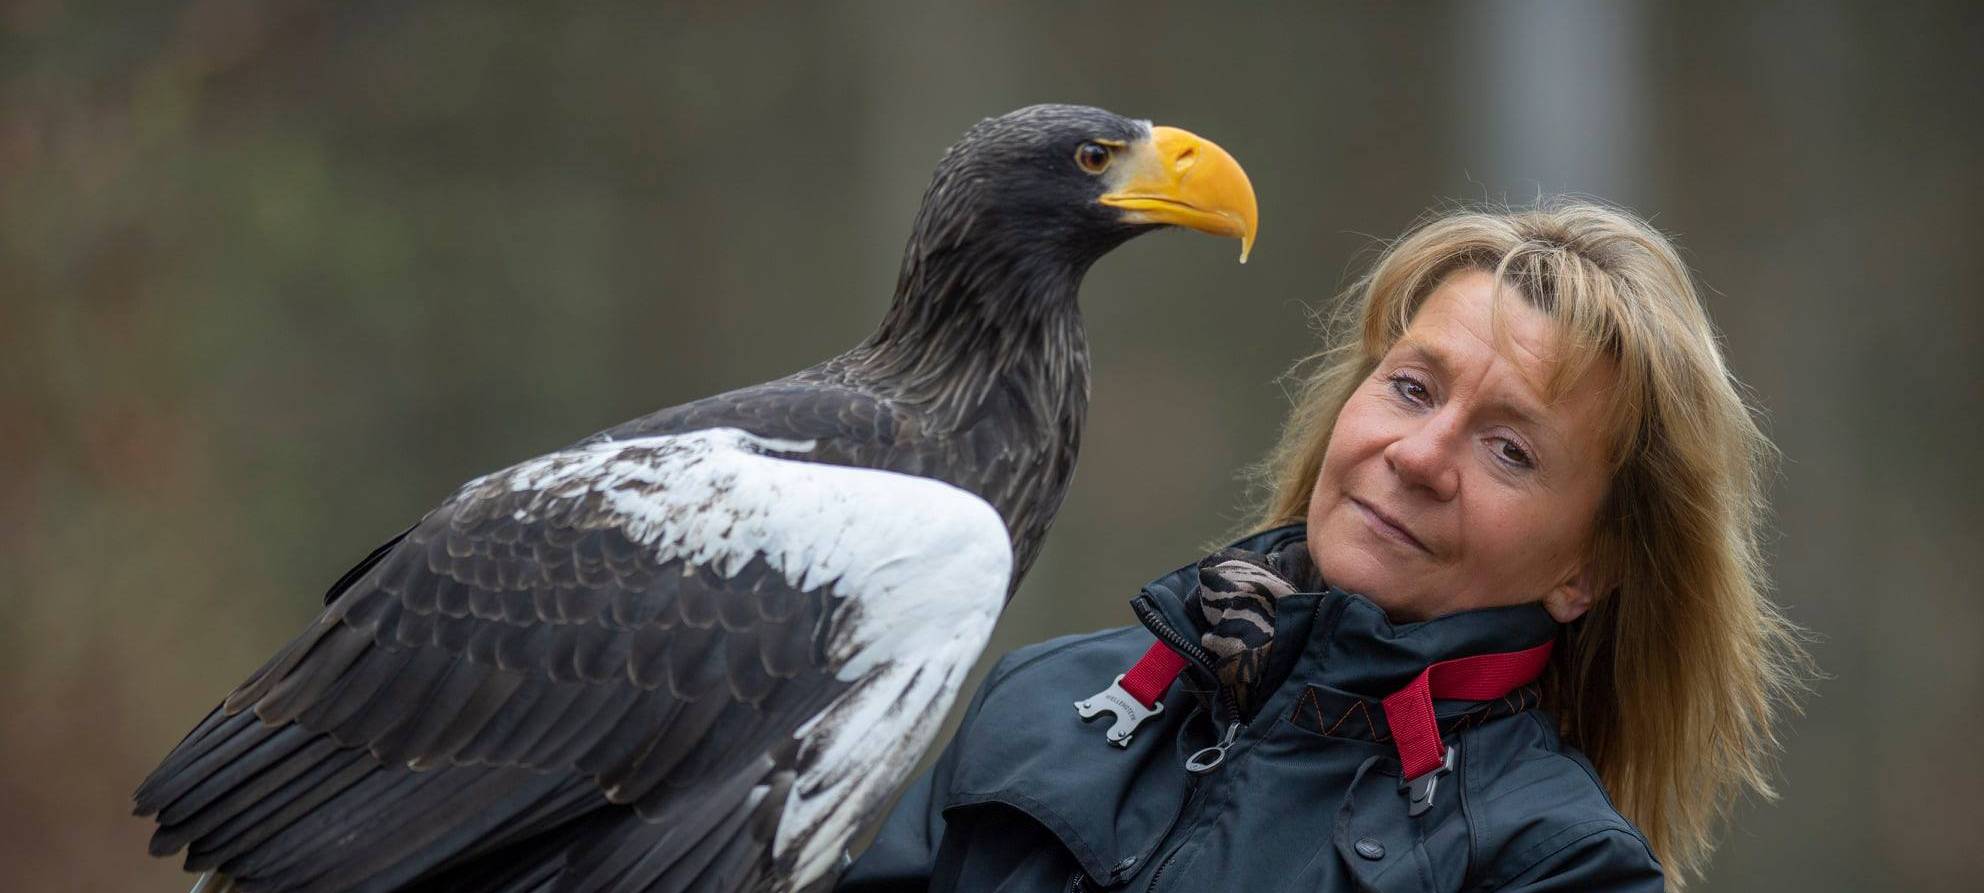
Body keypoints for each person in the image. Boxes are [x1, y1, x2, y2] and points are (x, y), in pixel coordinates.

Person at [838, 201, 1810, 892]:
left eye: (1509, 448)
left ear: (1587, 570)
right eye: (1413, 388)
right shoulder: (1047, 698)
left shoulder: (1552, 862)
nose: (1420, 454)